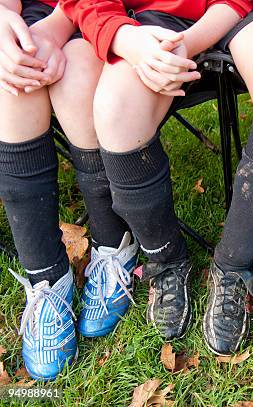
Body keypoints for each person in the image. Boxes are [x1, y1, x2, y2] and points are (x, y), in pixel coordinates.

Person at [59, 0, 253, 357]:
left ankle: (234, 266)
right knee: (115, 108)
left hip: (244, 13)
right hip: (147, 25)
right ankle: (166, 260)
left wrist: (189, 42)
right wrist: (127, 40)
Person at [0, 1, 137, 380]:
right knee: (13, 85)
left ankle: (114, 247)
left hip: (96, 15)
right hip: (26, 14)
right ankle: (47, 280)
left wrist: (58, 25)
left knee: (76, 82)